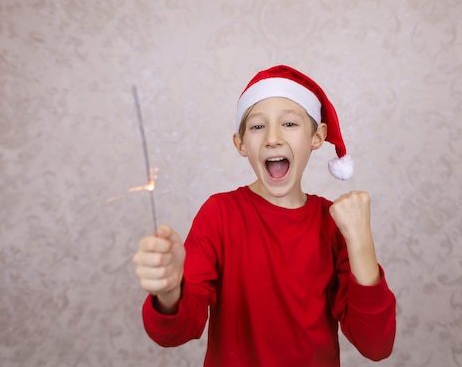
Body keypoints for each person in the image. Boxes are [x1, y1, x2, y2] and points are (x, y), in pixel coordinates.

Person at [132, 65, 396, 367]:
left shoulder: (334, 224)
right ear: (240, 143)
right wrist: (169, 290)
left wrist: (361, 241)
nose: (273, 138)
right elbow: (177, 332)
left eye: (290, 124)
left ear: (317, 136)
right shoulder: (219, 215)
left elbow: (376, 345)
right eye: (258, 127)